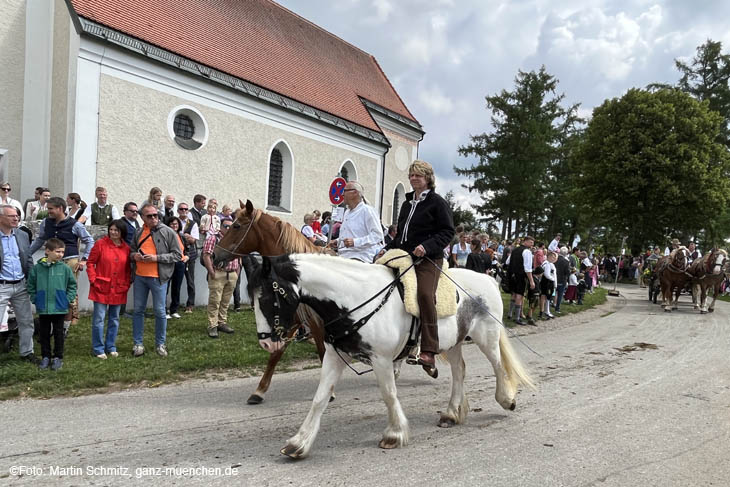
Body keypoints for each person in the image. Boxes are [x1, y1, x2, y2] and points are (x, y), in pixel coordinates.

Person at [378, 160, 454, 368]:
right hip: (404, 256)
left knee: (424, 295)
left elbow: (448, 231)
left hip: (429, 259)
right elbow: (401, 235)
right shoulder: (406, 204)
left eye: (418, 176)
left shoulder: (437, 203)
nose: (413, 179)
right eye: (411, 175)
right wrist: (387, 247)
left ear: (428, 179)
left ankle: (429, 349)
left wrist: (427, 246)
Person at [29, 196, 94, 328]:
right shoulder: (46, 223)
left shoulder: (74, 224)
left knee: (69, 291)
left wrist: (84, 260)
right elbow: (40, 240)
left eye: (51, 209)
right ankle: (54, 321)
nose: (48, 211)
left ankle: (67, 324)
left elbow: (89, 241)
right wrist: (27, 254)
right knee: (52, 290)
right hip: (50, 261)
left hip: (70, 260)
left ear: (60, 209)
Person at [130, 203, 182, 357]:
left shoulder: (168, 232)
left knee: (160, 311)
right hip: (140, 276)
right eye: (149, 216)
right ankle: (138, 343)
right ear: (142, 217)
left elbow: (177, 255)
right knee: (138, 310)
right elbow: (131, 251)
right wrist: (135, 256)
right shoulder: (138, 232)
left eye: (155, 215)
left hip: (159, 277)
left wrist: (156, 258)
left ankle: (160, 344)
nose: (153, 218)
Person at [27, 238, 77, 371]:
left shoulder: (65, 269)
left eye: (62, 252)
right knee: (43, 333)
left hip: (60, 307)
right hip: (43, 307)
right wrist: (35, 298)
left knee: (58, 333)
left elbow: (72, 285)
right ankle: (45, 356)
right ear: (47, 251)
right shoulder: (37, 269)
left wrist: (67, 299)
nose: (61, 254)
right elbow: (31, 284)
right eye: (57, 251)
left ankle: (58, 357)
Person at [86, 220, 131, 359]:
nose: (113, 232)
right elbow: (90, 262)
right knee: (99, 318)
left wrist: (127, 283)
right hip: (101, 286)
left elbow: (128, 269)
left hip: (118, 288)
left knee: (114, 318)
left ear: (122, 232)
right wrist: (93, 280)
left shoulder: (126, 248)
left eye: (116, 230)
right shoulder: (101, 244)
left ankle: (110, 346)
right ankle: (98, 348)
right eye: (111, 229)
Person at [0, 204, 37, 364]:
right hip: (2, 285)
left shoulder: (21, 235)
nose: (16, 218)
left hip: (21, 284)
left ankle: (27, 352)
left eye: (17, 216)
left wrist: (32, 280)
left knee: (26, 320)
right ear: (1, 218)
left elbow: (27, 259)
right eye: (11, 216)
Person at [202, 218, 239, 338]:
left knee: (225, 301)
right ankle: (212, 325)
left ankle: (222, 323)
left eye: (230, 226)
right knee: (215, 301)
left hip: (232, 274)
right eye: (226, 226)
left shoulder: (234, 239)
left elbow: (239, 256)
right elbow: (206, 255)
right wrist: (211, 272)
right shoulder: (214, 238)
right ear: (221, 226)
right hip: (218, 273)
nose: (228, 229)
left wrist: (237, 271)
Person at [328, 181, 384, 262]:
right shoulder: (347, 212)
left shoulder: (367, 211)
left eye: (344, 191)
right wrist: (337, 241)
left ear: (355, 192)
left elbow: (377, 236)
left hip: (360, 256)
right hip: (343, 255)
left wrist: (355, 242)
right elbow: (350, 235)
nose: (342, 194)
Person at [163, 216, 190, 319]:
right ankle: (164, 311)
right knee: (165, 288)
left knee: (176, 288)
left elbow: (187, 249)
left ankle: (174, 310)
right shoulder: (165, 236)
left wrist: (187, 257)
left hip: (180, 264)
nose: (174, 226)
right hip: (168, 264)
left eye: (176, 224)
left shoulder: (181, 236)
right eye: (172, 224)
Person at [506, 235, 535, 326]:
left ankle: (510, 314)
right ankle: (517, 318)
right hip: (521, 275)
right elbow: (528, 268)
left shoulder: (514, 250)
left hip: (512, 274)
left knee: (514, 294)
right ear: (525, 241)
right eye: (530, 242)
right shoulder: (527, 252)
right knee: (519, 295)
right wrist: (531, 281)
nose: (531, 245)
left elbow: (507, 262)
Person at [176, 202, 199, 313]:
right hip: (176, 254)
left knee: (190, 280)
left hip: (190, 255)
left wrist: (182, 236)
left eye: (186, 209)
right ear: (178, 210)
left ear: (188, 211)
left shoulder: (193, 223)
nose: (184, 211)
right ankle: (174, 305)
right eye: (181, 209)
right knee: (175, 281)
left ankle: (190, 304)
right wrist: (186, 237)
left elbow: (193, 240)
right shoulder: (174, 222)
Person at [539, 251, 557, 320]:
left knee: (548, 297)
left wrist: (555, 283)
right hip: (546, 282)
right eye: (552, 257)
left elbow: (554, 274)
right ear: (549, 257)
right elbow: (547, 274)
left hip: (550, 282)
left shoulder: (551, 264)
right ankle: (542, 311)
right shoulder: (546, 264)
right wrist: (553, 279)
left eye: (554, 257)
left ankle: (547, 310)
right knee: (544, 296)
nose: (554, 258)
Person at [554, 247, 570, 313]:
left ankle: (549, 306)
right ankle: (557, 308)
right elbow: (567, 272)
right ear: (566, 253)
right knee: (560, 294)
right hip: (562, 280)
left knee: (553, 293)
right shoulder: (566, 261)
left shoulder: (555, 259)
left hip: (554, 279)